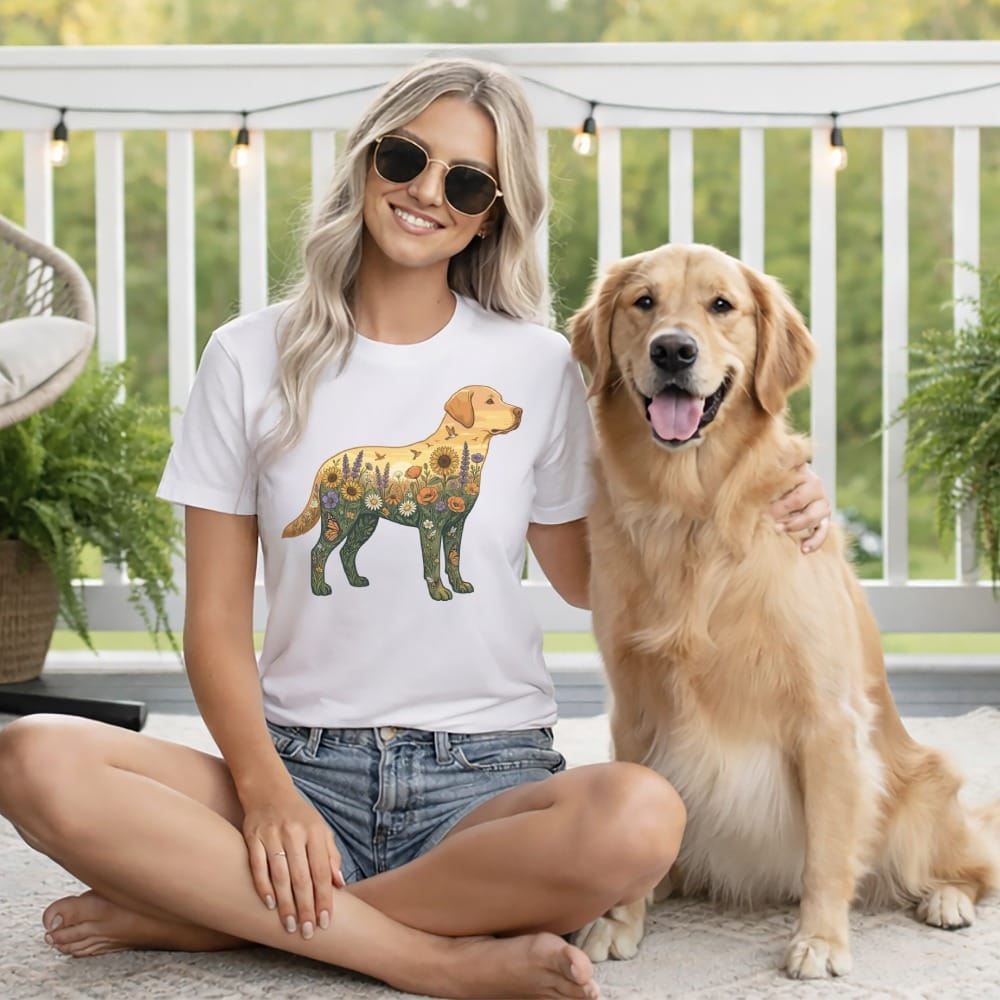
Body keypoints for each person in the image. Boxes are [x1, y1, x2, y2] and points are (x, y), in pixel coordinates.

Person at [0, 57, 831, 999]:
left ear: (492, 215)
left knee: (640, 820)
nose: (427, 192)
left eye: (466, 182)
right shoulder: (244, 356)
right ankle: (421, 953)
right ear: (366, 161)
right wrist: (268, 798)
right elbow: (215, 627)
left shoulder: (538, 365)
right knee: (33, 757)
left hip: (485, 775)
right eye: (407, 158)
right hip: (296, 758)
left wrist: (767, 501)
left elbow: (593, 574)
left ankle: (211, 914)